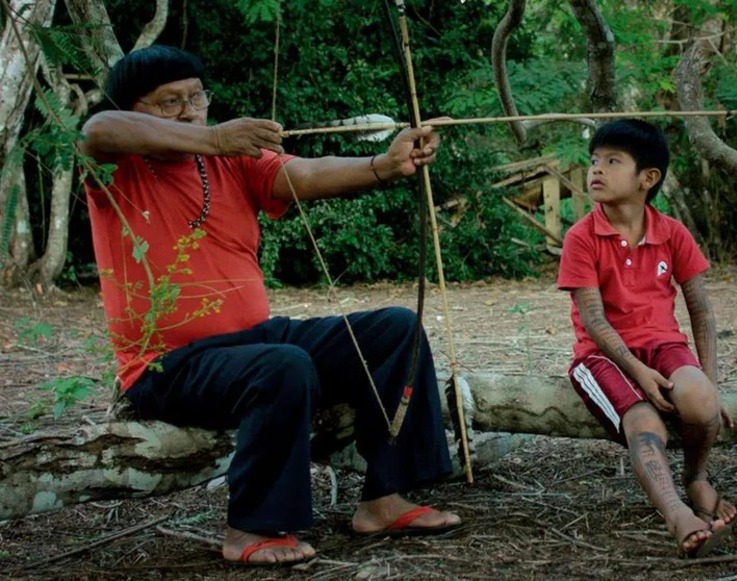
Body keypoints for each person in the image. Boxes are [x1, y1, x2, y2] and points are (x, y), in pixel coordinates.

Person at [80, 45, 461, 566]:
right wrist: (213, 137)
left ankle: (384, 499)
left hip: (254, 342)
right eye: (170, 103)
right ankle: (251, 529)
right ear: (134, 109)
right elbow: (97, 129)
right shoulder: (115, 171)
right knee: (284, 366)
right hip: (168, 366)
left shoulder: (229, 162)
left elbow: (302, 174)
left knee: (396, 330)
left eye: (197, 98)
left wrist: (384, 165)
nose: (191, 111)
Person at [557, 119, 737, 557]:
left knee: (698, 398)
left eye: (612, 161)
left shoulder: (672, 232)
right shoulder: (581, 237)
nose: (596, 169)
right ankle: (677, 514)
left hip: (663, 345)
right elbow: (595, 321)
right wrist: (638, 371)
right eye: (594, 160)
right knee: (645, 423)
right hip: (601, 356)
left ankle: (697, 477)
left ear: (648, 178)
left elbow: (701, 309)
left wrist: (709, 382)